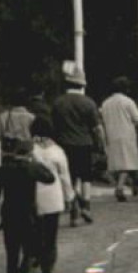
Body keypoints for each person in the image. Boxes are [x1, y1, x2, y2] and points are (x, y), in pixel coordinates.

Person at [0, 130, 56, 273]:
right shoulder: (31, 168)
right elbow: (50, 178)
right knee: (31, 251)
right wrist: (37, 162)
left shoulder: (5, 169)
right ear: (29, 153)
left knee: (12, 255)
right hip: (29, 215)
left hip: (9, 215)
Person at [52, 61, 104, 225]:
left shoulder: (58, 103)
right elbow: (97, 129)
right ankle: (86, 205)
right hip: (85, 144)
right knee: (86, 177)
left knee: (70, 178)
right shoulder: (89, 103)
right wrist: (101, 145)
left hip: (64, 145)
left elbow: (54, 126)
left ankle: (74, 209)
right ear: (82, 85)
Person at [30, 110, 74, 273]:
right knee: (50, 233)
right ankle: (48, 265)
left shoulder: (30, 150)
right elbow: (65, 176)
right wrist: (69, 196)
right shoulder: (57, 151)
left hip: (33, 195)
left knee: (35, 229)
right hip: (53, 195)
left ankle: (35, 256)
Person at [101, 77, 138, 201]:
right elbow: (137, 119)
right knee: (127, 163)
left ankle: (133, 184)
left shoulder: (105, 103)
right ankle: (120, 187)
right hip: (126, 134)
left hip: (111, 135)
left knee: (119, 163)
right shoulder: (127, 102)